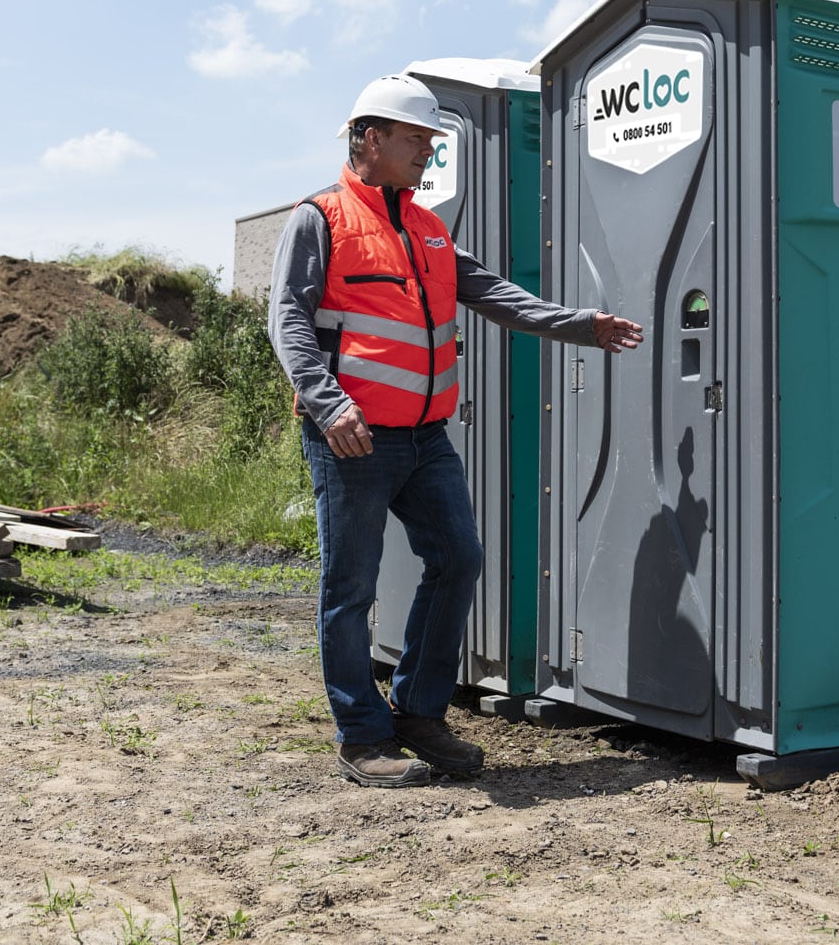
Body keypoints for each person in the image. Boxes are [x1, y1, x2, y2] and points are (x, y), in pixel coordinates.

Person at [268, 73, 644, 788]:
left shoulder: (428, 227)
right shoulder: (319, 219)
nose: (428, 153)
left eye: (434, 141)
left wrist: (580, 325)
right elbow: (287, 319)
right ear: (370, 138)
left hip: (425, 437)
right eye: (417, 139)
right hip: (352, 437)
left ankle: (417, 710)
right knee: (350, 588)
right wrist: (327, 402)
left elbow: (494, 294)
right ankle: (361, 734)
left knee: (459, 558)